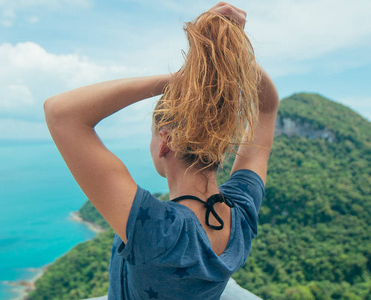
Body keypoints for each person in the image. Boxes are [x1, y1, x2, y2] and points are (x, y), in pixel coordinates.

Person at [44, 2, 279, 299]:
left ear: (164, 142)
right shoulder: (241, 214)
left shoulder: (159, 231)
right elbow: (268, 108)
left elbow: (61, 113)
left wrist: (180, 79)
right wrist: (228, 54)